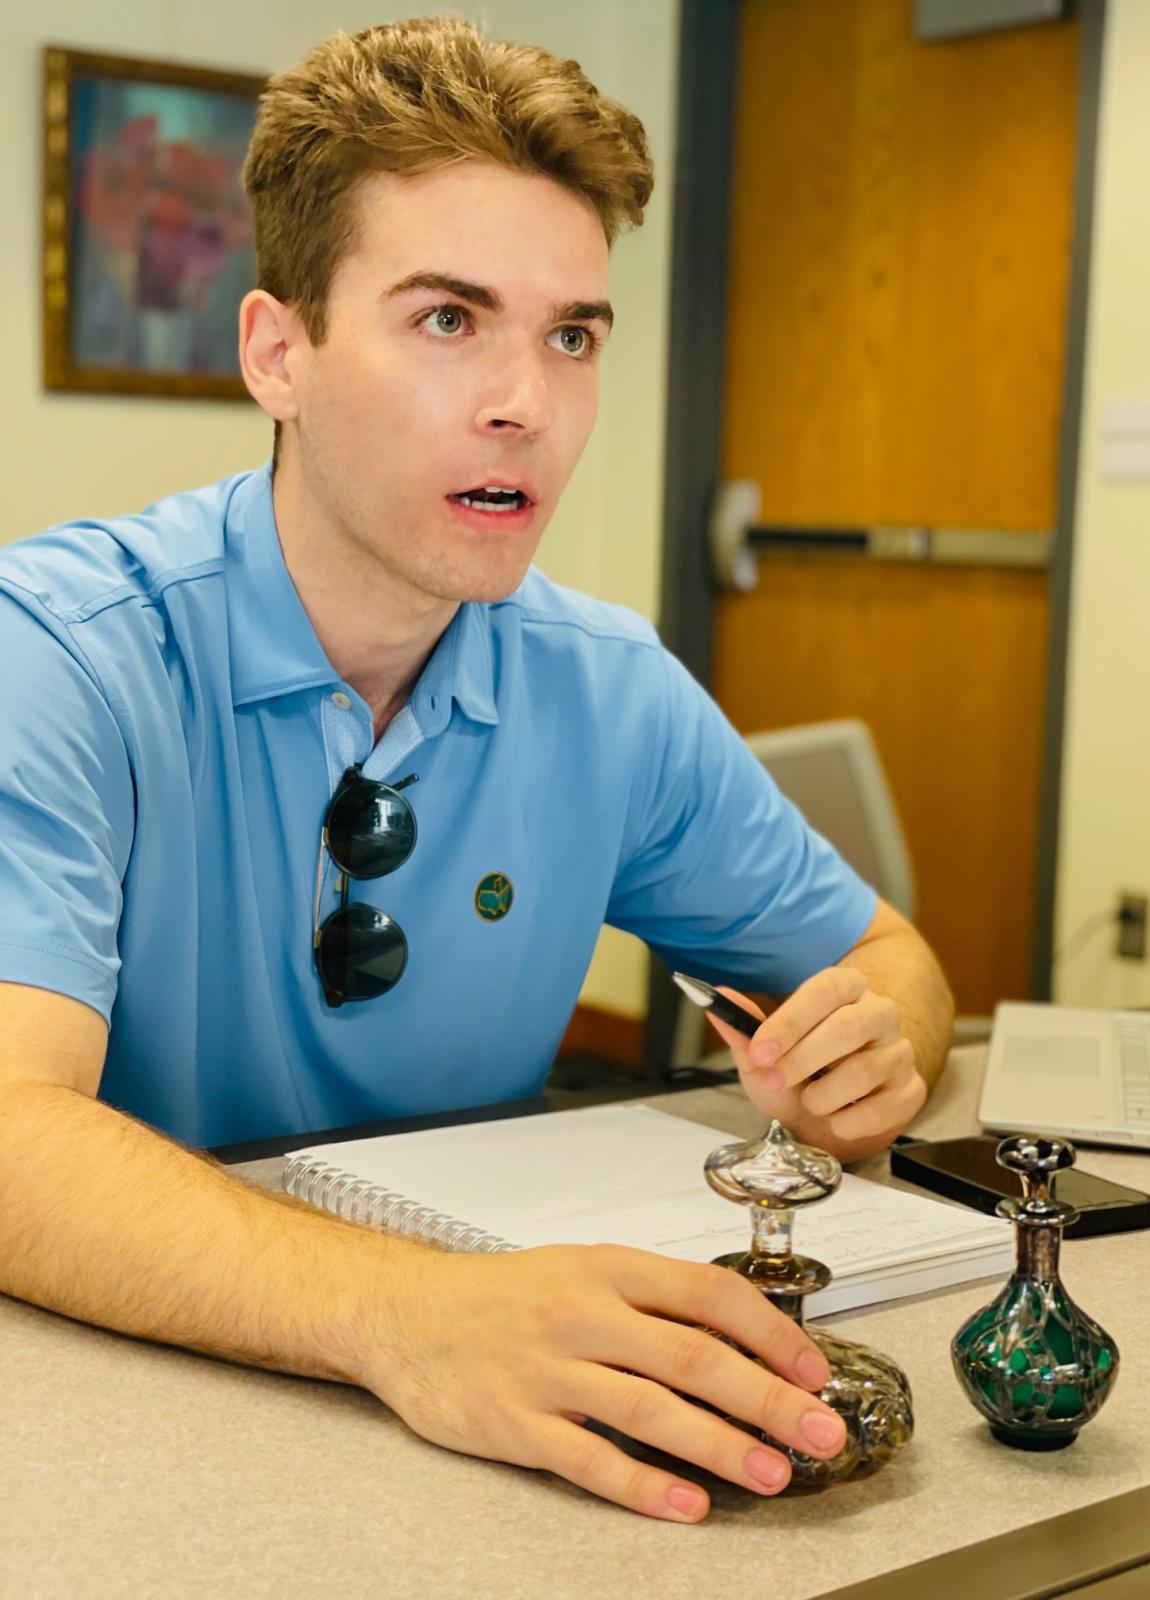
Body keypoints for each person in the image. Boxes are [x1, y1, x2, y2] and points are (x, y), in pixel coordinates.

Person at [0, 18, 952, 1522]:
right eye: (449, 319)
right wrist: (411, 1318)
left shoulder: (607, 686)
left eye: (571, 334)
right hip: (114, 1422)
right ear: (279, 352)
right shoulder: (59, 652)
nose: (528, 399)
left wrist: (866, 1054)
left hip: (482, 1424)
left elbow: (887, 961)